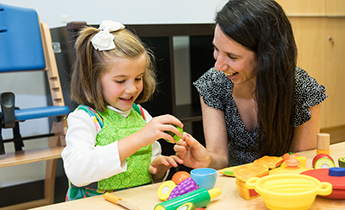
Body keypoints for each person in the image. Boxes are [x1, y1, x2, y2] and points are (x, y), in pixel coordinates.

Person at [174, 0, 327, 169]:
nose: (218, 66)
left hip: (281, 184)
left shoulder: (303, 89)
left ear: (266, 57)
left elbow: (299, 163)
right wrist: (207, 161)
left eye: (232, 57)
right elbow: (220, 159)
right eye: (216, 49)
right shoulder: (213, 83)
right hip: (234, 185)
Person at [61, 20, 183, 200]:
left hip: (136, 200)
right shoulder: (84, 119)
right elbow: (77, 173)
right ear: (93, 79)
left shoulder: (141, 114)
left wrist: (157, 169)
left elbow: (148, 166)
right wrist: (139, 138)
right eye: (120, 81)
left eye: (138, 78)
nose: (132, 89)